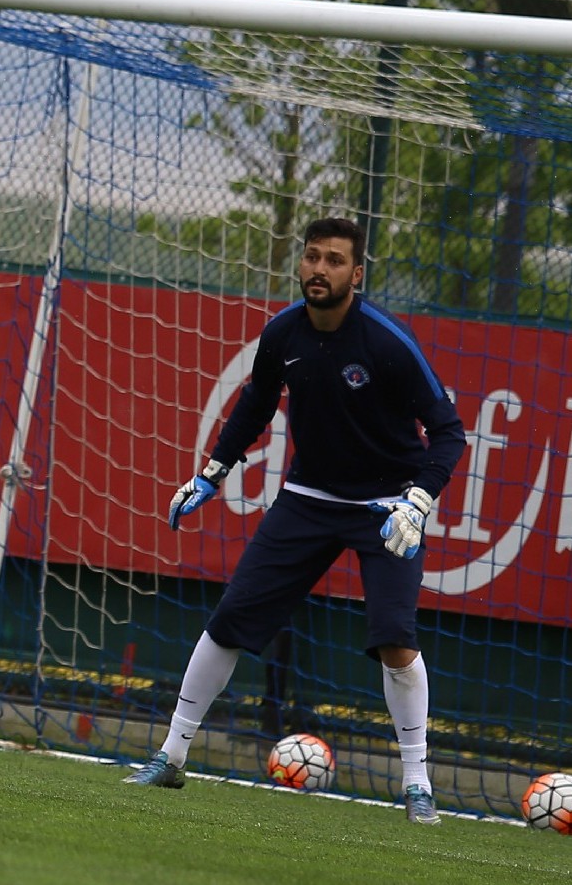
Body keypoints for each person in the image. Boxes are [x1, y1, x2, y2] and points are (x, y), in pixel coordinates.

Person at [123, 216, 466, 826]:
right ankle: (172, 757)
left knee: (396, 639)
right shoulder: (283, 331)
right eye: (312, 257)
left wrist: (419, 499)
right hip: (308, 496)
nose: (319, 269)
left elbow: (448, 432)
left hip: (386, 507)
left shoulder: (387, 342)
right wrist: (212, 472)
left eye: (335, 260)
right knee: (231, 620)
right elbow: (256, 403)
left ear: (356, 275)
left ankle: (417, 784)